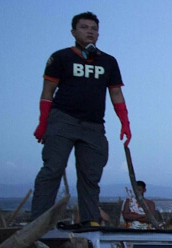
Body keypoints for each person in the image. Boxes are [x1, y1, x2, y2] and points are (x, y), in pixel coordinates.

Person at [31, 12, 132, 227]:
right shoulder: (61, 57)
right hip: (63, 120)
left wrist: (125, 123)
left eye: (94, 29)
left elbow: (116, 93)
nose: (90, 32)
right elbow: (48, 91)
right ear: (73, 32)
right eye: (84, 27)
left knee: (90, 176)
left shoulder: (108, 61)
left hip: (93, 126)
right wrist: (43, 123)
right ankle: (38, 224)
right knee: (53, 169)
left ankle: (90, 221)